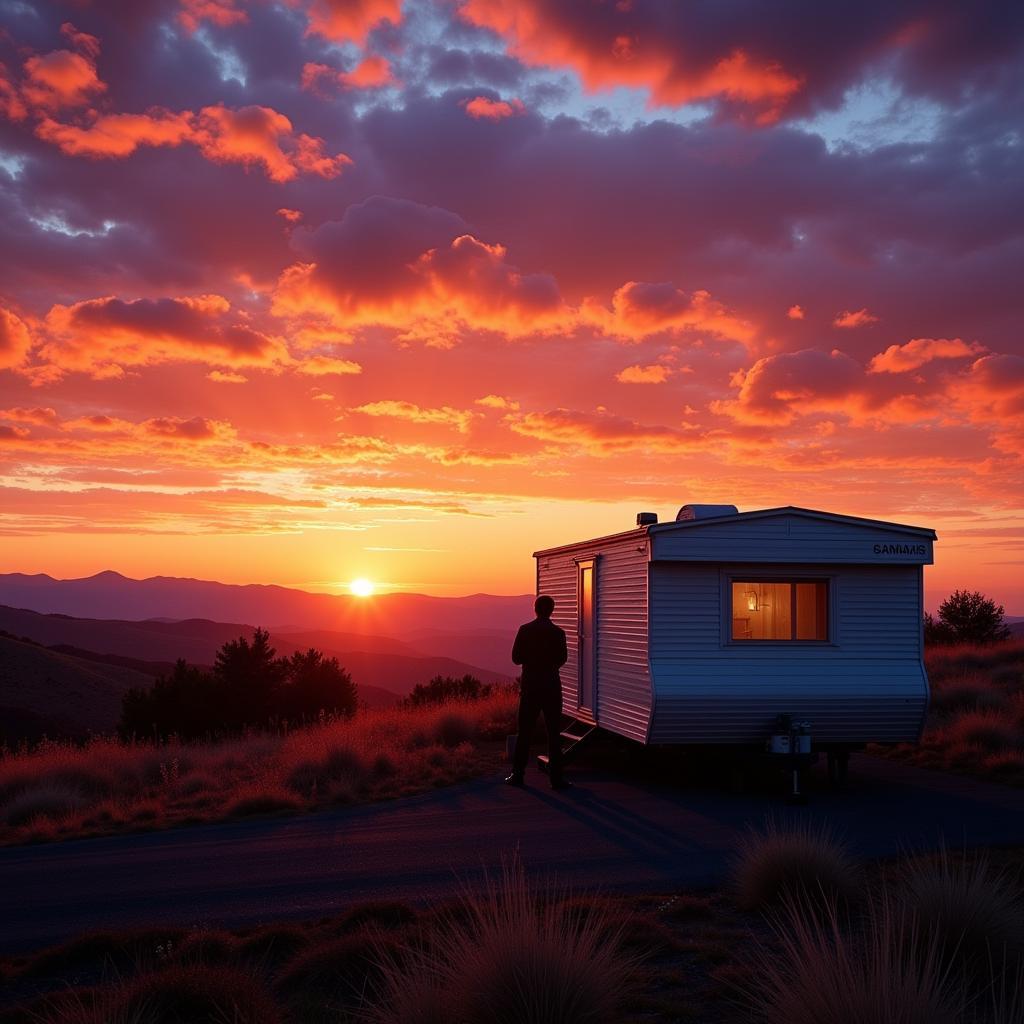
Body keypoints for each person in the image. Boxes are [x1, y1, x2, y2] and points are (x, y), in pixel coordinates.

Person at [505, 594, 570, 790]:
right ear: (552, 610)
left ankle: (518, 775)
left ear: (535, 609)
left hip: (530, 687)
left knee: (524, 732)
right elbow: (562, 659)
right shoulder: (558, 633)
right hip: (551, 686)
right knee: (553, 733)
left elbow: (516, 658)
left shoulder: (525, 630)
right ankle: (556, 779)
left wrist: (531, 662)